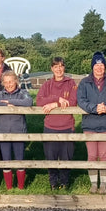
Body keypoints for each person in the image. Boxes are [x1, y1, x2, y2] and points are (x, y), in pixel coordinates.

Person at [77, 52, 106, 194]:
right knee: (91, 155)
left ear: (105, 67)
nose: (99, 68)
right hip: (89, 123)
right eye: (96, 65)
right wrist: (94, 108)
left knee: (104, 155)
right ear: (92, 67)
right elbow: (81, 100)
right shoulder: (84, 82)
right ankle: (93, 184)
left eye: (101, 65)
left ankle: (103, 184)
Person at [0, 71, 33, 189]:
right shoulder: (0, 95)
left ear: (16, 81)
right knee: (6, 160)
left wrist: (11, 102)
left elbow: (28, 102)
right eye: (5, 82)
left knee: (19, 159)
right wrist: (5, 106)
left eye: (11, 81)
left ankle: (21, 187)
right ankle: (9, 187)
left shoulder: (22, 93)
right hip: (3, 132)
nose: (8, 84)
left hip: (19, 131)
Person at [37, 57, 78, 191]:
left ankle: (65, 182)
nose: (58, 69)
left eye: (61, 66)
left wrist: (54, 104)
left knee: (66, 156)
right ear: (52, 68)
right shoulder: (47, 85)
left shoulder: (71, 83)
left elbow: (73, 101)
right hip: (50, 126)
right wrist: (57, 98)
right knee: (51, 156)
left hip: (66, 125)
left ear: (64, 67)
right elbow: (39, 101)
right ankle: (53, 182)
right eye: (56, 66)